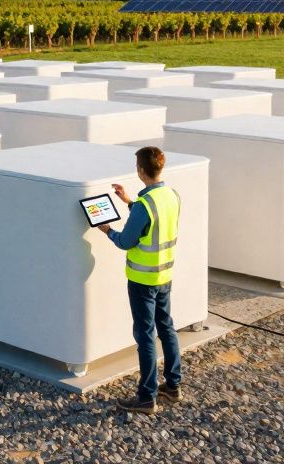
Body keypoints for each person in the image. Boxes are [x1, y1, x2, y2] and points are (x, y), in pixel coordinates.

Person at [96, 145, 182, 414]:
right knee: (166, 327)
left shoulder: (145, 205)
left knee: (145, 335)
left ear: (141, 170)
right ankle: (173, 385)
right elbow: (151, 219)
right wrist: (128, 201)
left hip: (143, 280)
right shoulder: (171, 195)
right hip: (164, 274)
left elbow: (125, 241)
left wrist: (107, 230)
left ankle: (146, 397)